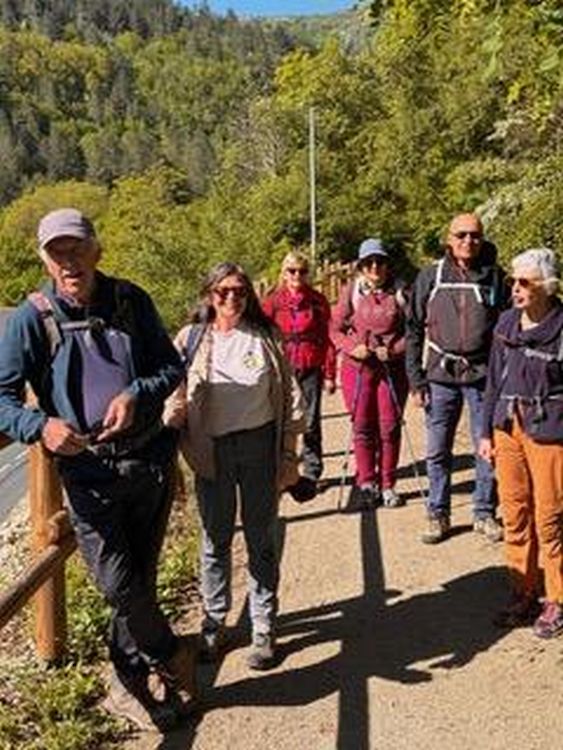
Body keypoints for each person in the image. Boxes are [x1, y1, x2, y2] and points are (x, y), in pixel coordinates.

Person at [0, 208, 195, 731]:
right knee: (118, 585)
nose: (69, 261)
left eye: (77, 249)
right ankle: (168, 654)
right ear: (44, 259)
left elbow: (170, 366)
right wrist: (40, 427)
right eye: (57, 252)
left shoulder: (130, 300)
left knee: (140, 580)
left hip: (148, 459)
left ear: (96, 251)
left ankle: (136, 684)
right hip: (88, 473)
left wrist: (136, 394)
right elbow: (1, 399)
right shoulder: (32, 318)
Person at [163, 262, 304, 670]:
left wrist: (290, 455)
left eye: (239, 291)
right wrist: (169, 423)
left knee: (261, 536)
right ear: (209, 294)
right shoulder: (190, 338)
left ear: (249, 295)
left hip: (260, 445)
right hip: (211, 450)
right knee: (215, 538)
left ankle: (263, 625)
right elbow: (174, 390)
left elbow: (291, 398)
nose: (231, 298)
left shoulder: (266, 336)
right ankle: (214, 622)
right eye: (222, 291)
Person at [406, 213, 506, 544]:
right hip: (440, 374)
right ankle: (438, 512)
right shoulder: (431, 276)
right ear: (449, 239)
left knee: (486, 447)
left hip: (483, 375)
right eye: (461, 235)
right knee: (437, 449)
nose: (468, 241)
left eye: (475, 235)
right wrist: (416, 379)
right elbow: (413, 328)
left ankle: (484, 512)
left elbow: (508, 327)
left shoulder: (495, 277)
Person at [479, 248, 563, 638]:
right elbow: (493, 381)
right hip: (506, 427)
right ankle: (523, 592)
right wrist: (484, 432)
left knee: (551, 518)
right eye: (512, 280)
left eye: (524, 282)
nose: (515, 288)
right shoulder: (506, 323)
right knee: (514, 513)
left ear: (546, 286)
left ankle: (556, 599)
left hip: (550, 431)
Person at [331, 237, 409, 510]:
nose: (374, 267)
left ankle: (388, 484)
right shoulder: (351, 291)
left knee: (389, 426)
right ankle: (366, 482)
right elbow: (335, 330)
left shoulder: (400, 292)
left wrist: (395, 350)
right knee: (362, 426)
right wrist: (353, 348)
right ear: (361, 266)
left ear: (387, 264)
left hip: (391, 369)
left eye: (380, 261)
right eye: (368, 262)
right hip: (358, 369)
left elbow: (415, 332)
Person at [262, 250, 335, 492]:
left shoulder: (317, 301)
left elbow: (328, 338)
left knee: (311, 421)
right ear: (284, 273)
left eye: (302, 271)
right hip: (282, 370)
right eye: (291, 271)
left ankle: (312, 472)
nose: (297, 276)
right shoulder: (273, 302)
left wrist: (330, 373)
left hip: (310, 366)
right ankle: (284, 472)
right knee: (283, 420)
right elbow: (261, 335)